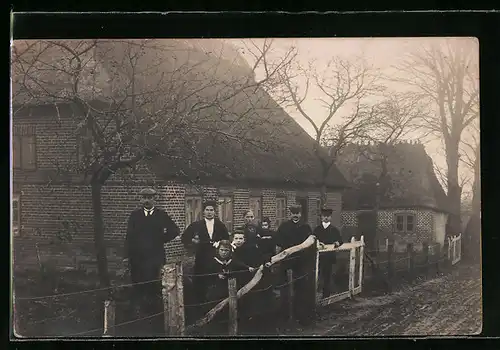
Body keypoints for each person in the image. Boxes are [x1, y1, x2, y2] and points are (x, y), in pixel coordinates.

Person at [122, 187, 180, 335]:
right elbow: (129, 236)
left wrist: (161, 239)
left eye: (150, 197)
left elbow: (175, 230)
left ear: (155, 199)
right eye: (144, 197)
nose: (147, 200)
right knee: (139, 282)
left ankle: (156, 314)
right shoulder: (135, 216)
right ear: (140, 199)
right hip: (138, 257)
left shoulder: (161, 215)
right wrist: (126, 255)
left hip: (155, 256)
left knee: (155, 283)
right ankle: (139, 314)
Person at [181, 200, 229, 307]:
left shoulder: (220, 225)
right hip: (201, 257)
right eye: (207, 210)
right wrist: (193, 242)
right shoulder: (196, 225)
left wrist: (220, 243)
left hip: (216, 257)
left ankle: (216, 303)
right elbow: (184, 237)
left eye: (211, 210)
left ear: (215, 212)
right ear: (203, 212)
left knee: (217, 279)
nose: (209, 212)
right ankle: (200, 304)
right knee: (200, 280)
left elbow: (226, 239)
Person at [275, 204, 317, 326]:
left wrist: (307, 262)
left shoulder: (306, 227)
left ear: (301, 214)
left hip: (301, 263)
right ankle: (285, 316)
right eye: (293, 213)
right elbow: (278, 242)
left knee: (301, 289)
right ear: (290, 214)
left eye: (297, 213)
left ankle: (302, 317)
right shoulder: (284, 227)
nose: (295, 215)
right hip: (287, 262)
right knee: (285, 289)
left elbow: (311, 245)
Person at [231, 229, 275, 335]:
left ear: (244, 240)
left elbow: (261, 257)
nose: (238, 241)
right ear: (232, 239)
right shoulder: (230, 250)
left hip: (250, 279)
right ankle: (241, 325)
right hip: (237, 280)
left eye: (241, 238)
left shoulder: (250, 249)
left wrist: (266, 262)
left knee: (252, 302)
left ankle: (254, 327)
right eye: (236, 238)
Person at [204, 240, 247, 335]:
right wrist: (216, 276)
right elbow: (205, 275)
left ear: (230, 251)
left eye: (226, 250)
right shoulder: (212, 261)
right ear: (218, 250)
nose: (224, 253)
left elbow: (241, 266)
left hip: (229, 289)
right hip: (215, 290)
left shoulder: (233, 261)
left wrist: (248, 268)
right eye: (222, 250)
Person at [313, 208, 343, 298]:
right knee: (317, 275)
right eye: (324, 216)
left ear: (330, 217)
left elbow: (340, 241)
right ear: (321, 217)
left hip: (329, 257)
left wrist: (337, 242)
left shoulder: (334, 230)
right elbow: (313, 239)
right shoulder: (317, 229)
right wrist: (318, 243)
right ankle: (315, 295)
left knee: (327, 276)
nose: (326, 218)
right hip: (319, 257)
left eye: (328, 216)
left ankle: (326, 296)